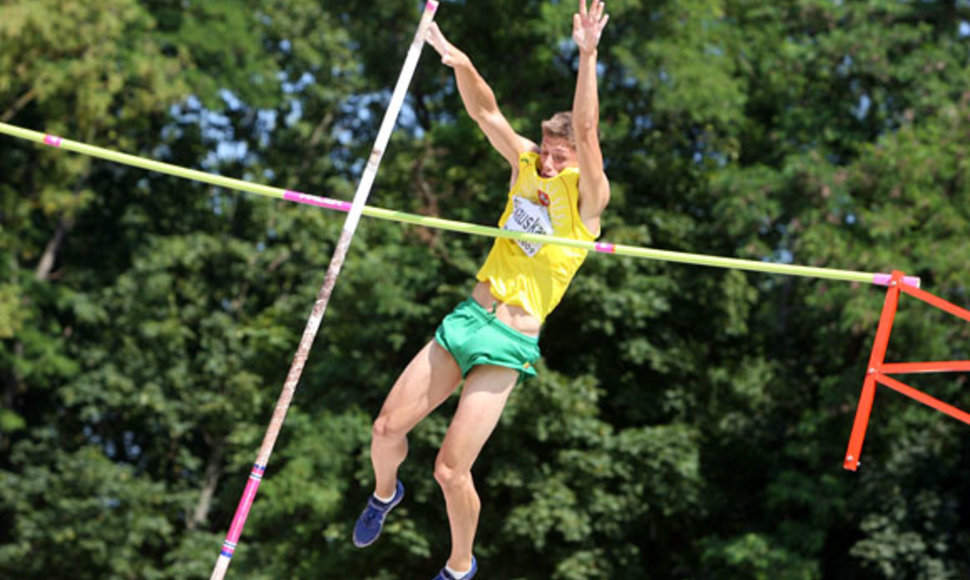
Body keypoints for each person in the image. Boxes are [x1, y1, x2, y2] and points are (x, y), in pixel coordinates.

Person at [352, 1, 610, 578]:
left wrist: (587, 55)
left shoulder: (588, 201)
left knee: (450, 470)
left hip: (510, 342)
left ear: (577, 160)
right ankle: (385, 493)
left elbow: (588, 132)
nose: (547, 158)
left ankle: (461, 565)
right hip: (470, 317)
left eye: (558, 153)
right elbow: (486, 112)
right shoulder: (526, 162)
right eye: (545, 147)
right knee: (386, 430)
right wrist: (459, 62)